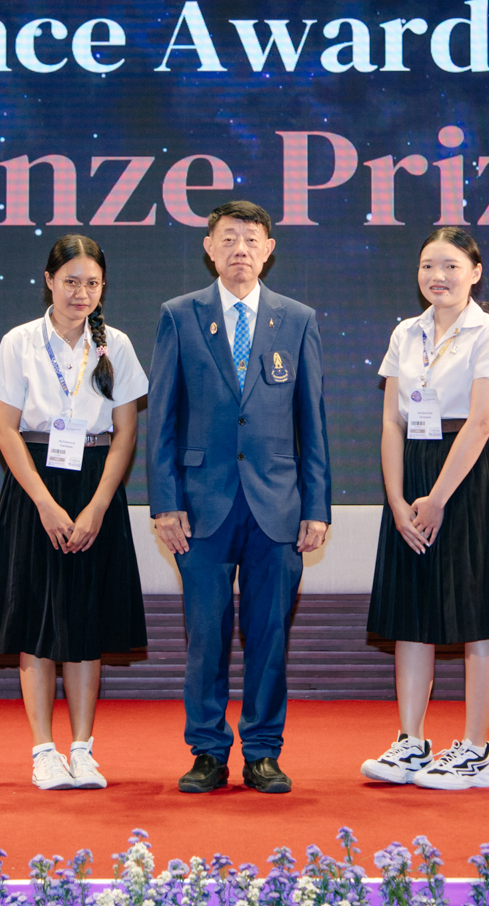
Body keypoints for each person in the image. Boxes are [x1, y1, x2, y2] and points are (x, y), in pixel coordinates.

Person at [147, 199, 331, 795]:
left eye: (251, 240)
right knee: (205, 636)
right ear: (209, 248)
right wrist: (165, 502)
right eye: (228, 239)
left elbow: (312, 423)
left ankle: (262, 752)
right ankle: (206, 750)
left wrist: (316, 507)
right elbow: (162, 420)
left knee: (269, 636)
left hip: (278, 507)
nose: (240, 250)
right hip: (200, 507)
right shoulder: (179, 316)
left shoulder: (297, 319)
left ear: (269, 250)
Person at [0, 234, 149, 791]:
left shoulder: (116, 345)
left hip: (96, 485)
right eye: (71, 281)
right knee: (37, 618)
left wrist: (98, 505)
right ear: (49, 280)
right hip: (35, 487)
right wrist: (45, 504)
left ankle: (82, 749)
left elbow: (125, 434)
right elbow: (6, 430)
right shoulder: (20, 342)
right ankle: (43, 752)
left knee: (85, 620)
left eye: (92, 283)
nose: (81, 293)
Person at [361, 225, 489, 790]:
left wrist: (437, 498)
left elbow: (481, 421)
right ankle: (411, 742)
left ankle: (476, 751)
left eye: (452, 266)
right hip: (413, 471)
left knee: (478, 610)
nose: (438, 276)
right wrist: (397, 498)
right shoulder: (405, 333)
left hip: (468, 474)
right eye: (428, 266)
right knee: (413, 611)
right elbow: (392, 421)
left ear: (475, 273)